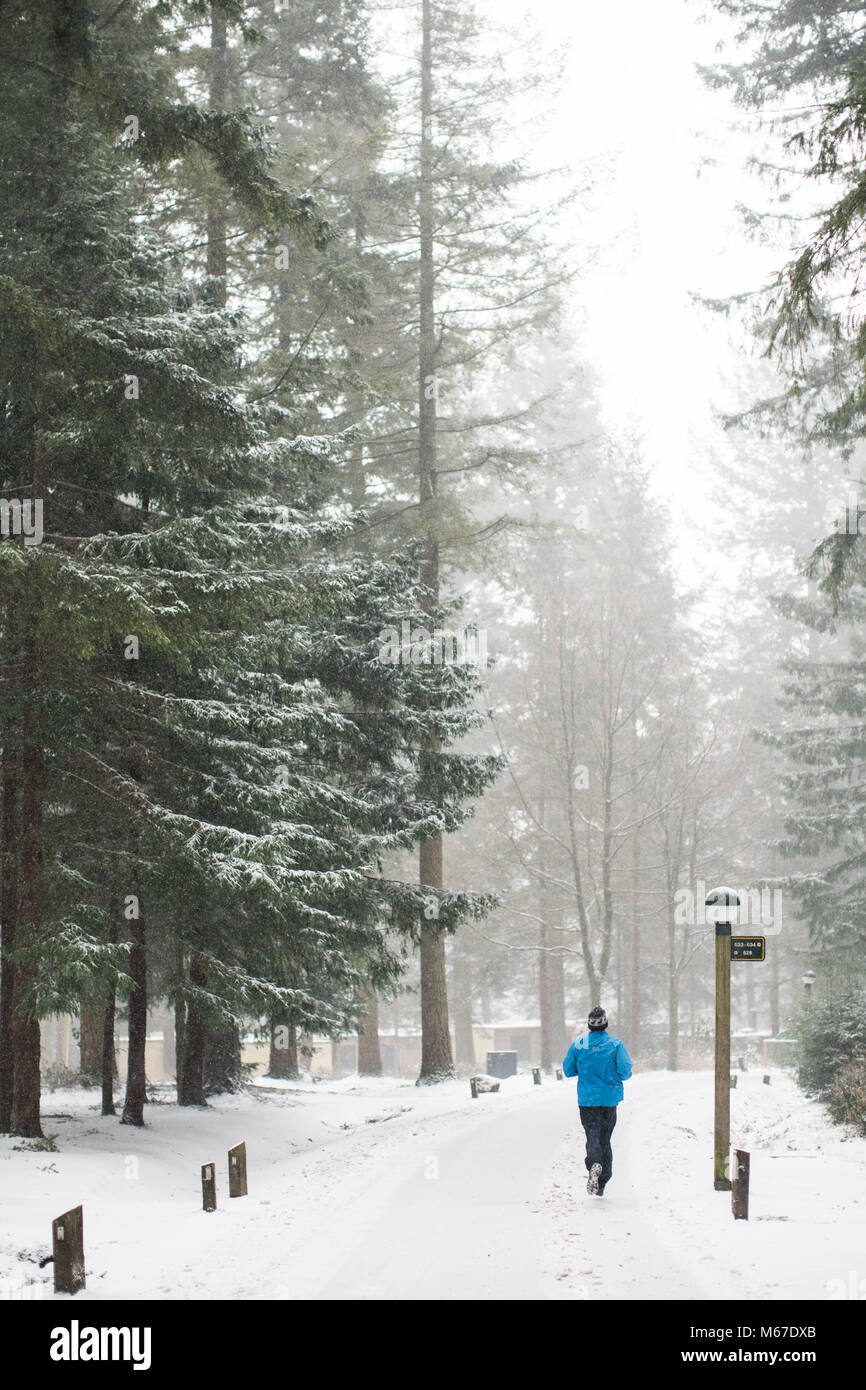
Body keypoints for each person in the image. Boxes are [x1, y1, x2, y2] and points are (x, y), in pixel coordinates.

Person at [562, 1006, 632, 1196]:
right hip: (609, 1099)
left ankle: (594, 1163)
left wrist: (585, 1069)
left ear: (589, 1025)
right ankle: (602, 1182)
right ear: (606, 1023)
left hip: (587, 1100)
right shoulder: (615, 1044)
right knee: (605, 1139)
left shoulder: (580, 1044)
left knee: (592, 1136)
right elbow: (626, 1071)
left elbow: (568, 1070)